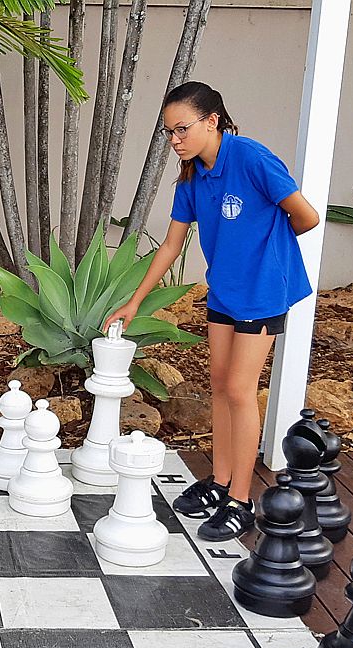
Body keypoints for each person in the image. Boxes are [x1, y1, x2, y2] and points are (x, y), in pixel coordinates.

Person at [106, 81, 320, 542]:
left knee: (241, 390)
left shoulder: (251, 157)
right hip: (224, 291)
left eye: (182, 129)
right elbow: (170, 244)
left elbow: (306, 217)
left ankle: (241, 500)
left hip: (262, 292)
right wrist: (136, 300)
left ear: (212, 121)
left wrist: (268, 250)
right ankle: (220, 481)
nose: (175, 140)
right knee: (220, 386)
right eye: (168, 133)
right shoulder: (192, 177)